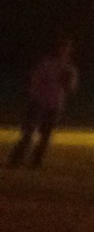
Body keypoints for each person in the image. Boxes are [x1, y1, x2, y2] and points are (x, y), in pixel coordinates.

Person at [9, 38, 78, 169]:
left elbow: (71, 89)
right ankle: (16, 159)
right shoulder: (46, 64)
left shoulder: (69, 68)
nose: (65, 51)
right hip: (39, 102)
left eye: (68, 48)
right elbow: (34, 81)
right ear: (57, 49)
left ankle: (36, 161)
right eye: (63, 48)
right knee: (28, 132)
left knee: (46, 135)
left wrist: (68, 82)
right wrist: (34, 96)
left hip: (55, 104)